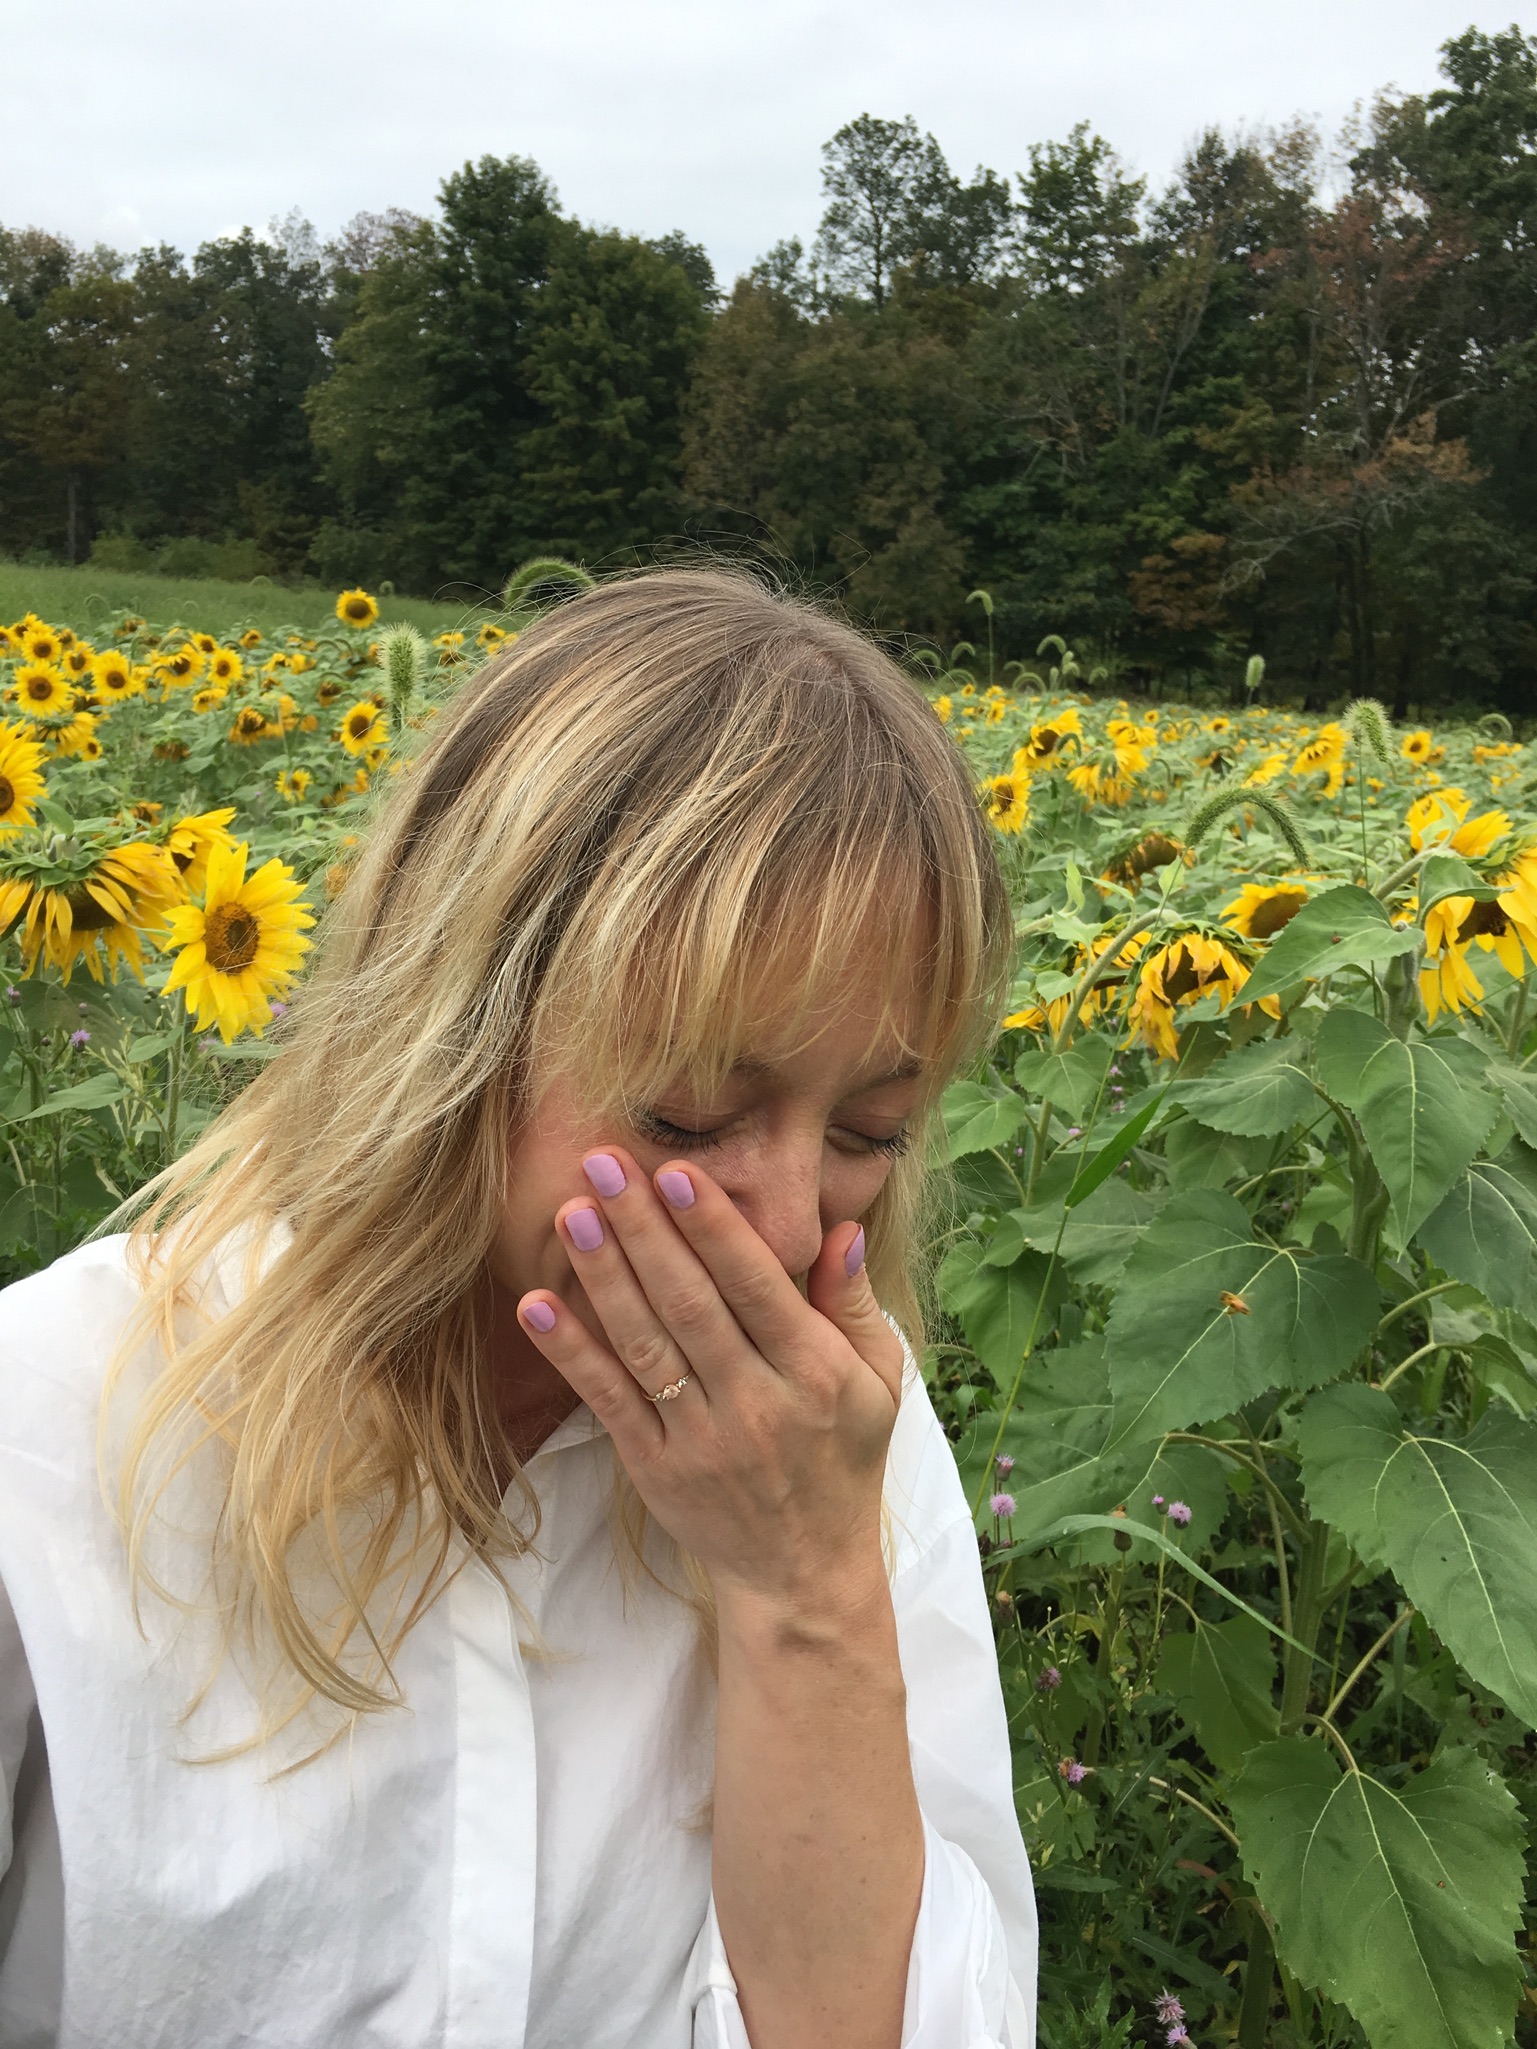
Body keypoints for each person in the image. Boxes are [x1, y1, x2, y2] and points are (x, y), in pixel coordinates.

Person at [0, 569, 1037, 2048]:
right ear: (455, 1032)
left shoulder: (833, 1445)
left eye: (871, 1133)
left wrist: (809, 1595)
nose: (791, 1228)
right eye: (690, 1115)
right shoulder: (50, 1432)